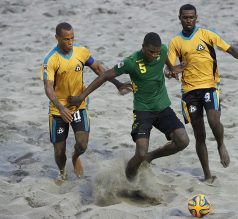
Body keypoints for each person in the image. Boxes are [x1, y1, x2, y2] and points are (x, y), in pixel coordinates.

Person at [68, 32, 190, 181]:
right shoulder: (131, 62)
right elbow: (105, 75)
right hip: (143, 111)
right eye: (151, 52)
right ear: (143, 47)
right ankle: (130, 183)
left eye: (156, 53)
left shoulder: (162, 50)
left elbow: (164, 59)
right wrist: (81, 96)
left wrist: (172, 69)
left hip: (163, 107)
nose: (154, 55)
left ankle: (150, 157)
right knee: (140, 153)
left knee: (183, 141)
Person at [167, 4, 238, 183]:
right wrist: (173, 71)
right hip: (189, 92)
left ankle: (221, 144)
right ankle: (207, 175)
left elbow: (230, 48)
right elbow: (169, 68)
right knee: (199, 134)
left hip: (209, 85)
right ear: (180, 18)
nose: (189, 20)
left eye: (192, 17)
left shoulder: (206, 34)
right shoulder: (175, 42)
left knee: (214, 120)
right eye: (185, 17)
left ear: (196, 17)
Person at [40, 22, 131, 185]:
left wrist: (118, 84)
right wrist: (60, 108)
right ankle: (62, 173)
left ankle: (75, 157)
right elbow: (48, 87)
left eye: (72, 38)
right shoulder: (50, 59)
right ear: (57, 38)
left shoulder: (81, 52)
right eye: (66, 39)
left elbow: (98, 69)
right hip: (58, 110)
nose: (70, 42)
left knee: (82, 144)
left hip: (78, 106)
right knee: (59, 150)